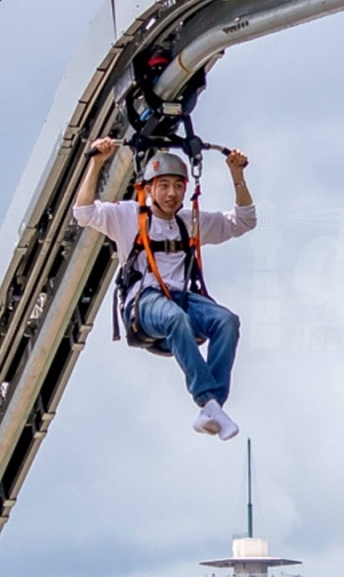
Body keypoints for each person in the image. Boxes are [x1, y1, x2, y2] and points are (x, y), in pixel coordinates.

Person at [73, 136, 257, 440]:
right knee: (174, 318)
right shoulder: (128, 216)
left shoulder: (190, 222)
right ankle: (207, 400)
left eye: (178, 186)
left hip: (184, 298)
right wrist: (96, 162)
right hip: (144, 301)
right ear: (148, 189)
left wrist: (237, 176)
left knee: (226, 321)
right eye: (164, 186)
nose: (172, 193)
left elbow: (243, 221)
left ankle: (213, 408)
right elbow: (84, 213)